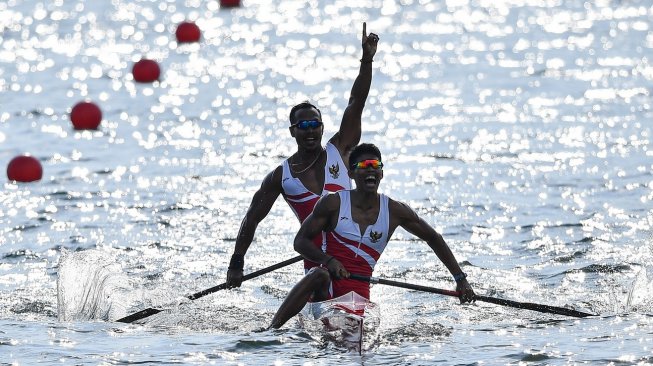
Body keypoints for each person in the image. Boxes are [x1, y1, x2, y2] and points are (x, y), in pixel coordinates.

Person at [226, 23, 379, 287]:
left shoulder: (340, 151)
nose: (310, 131)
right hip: (316, 264)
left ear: (322, 128)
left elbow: (357, 102)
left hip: (352, 263)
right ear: (293, 132)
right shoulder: (281, 177)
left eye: (315, 125)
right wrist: (236, 264)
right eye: (303, 126)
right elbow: (252, 218)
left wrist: (367, 60)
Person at [269, 143, 475, 328]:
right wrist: (328, 260)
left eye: (375, 165)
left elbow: (434, 238)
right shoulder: (333, 204)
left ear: (382, 174)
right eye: (363, 166)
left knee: (357, 348)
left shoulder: (395, 211)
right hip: (325, 291)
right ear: (350, 174)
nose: (370, 170)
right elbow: (300, 242)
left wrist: (461, 279)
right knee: (318, 273)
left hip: (359, 298)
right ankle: (271, 329)